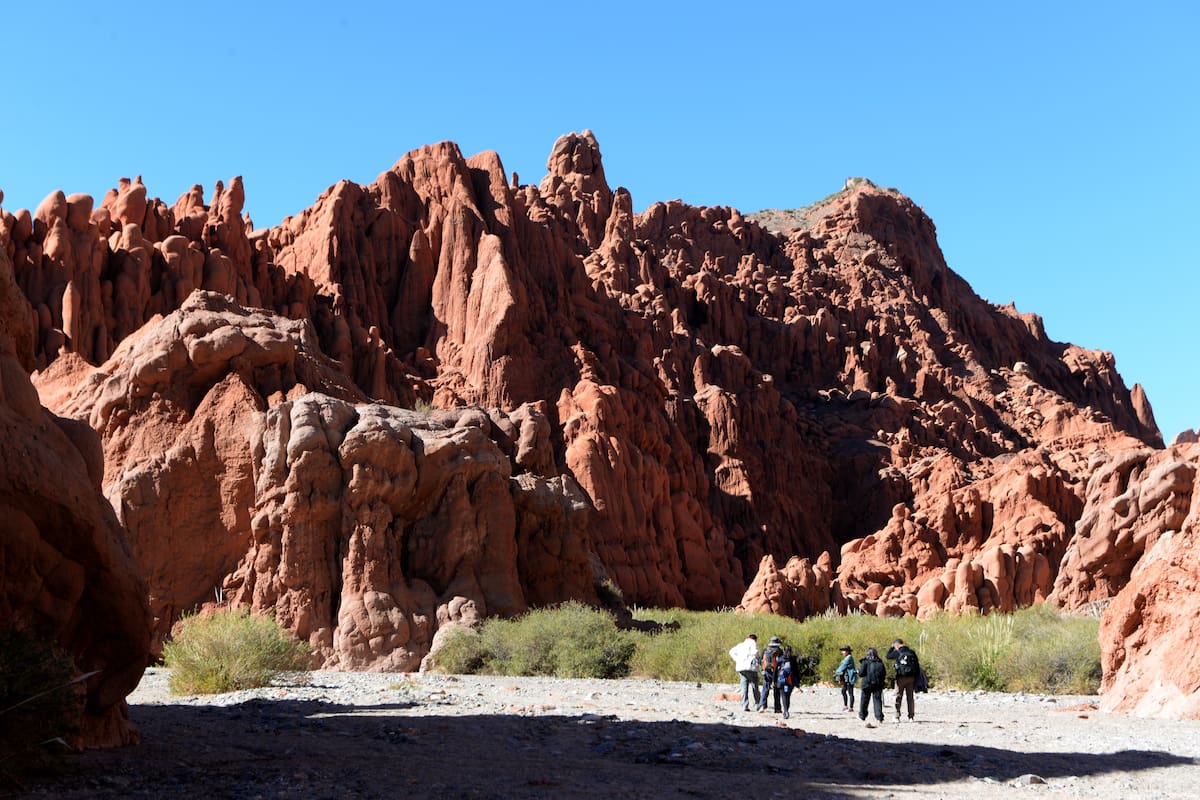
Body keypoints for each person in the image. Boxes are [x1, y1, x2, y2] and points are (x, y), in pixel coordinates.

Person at [887, 638, 921, 721]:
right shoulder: (911, 652)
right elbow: (917, 665)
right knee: (910, 697)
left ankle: (897, 716)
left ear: (896, 645)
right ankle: (911, 716)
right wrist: (915, 677)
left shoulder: (897, 652)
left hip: (900, 678)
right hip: (911, 678)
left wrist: (891, 648)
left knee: (898, 696)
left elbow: (888, 656)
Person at [728, 634, 761, 711]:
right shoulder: (753, 643)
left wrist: (737, 659)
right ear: (755, 639)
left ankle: (744, 705)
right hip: (751, 668)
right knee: (755, 686)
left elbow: (731, 651)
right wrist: (759, 660)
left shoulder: (740, 645)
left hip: (741, 667)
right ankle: (758, 704)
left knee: (744, 687)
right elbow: (755, 652)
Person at [857, 646, 886, 727]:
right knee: (877, 701)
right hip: (878, 684)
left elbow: (861, 673)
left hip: (867, 684)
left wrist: (858, 671)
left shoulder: (865, 662)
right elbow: (884, 673)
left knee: (864, 700)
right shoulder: (880, 662)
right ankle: (879, 717)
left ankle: (862, 716)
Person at [758, 636, 785, 712]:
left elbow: (760, 661)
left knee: (765, 689)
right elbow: (782, 662)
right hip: (776, 673)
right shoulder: (779, 651)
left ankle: (762, 706)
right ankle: (777, 708)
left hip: (766, 671)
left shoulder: (765, 650)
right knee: (776, 690)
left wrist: (763, 669)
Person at [833, 645, 857, 711]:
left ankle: (851, 707)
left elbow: (842, 667)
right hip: (846, 678)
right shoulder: (846, 658)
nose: (842, 652)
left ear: (847, 651)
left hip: (850, 677)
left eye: (844, 651)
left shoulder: (849, 658)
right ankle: (846, 706)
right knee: (843, 691)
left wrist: (836, 673)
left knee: (850, 692)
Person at [776, 646, 796, 719]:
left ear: (784, 650)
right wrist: (797, 682)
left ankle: (785, 711)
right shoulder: (793, 659)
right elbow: (796, 671)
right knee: (788, 696)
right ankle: (787, 709)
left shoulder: (780, 659)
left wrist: (773, 680)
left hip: (781, 680)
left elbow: (775, 670)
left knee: (783, 695)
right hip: (790, 680)